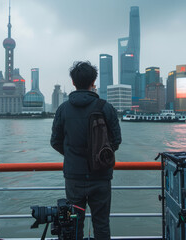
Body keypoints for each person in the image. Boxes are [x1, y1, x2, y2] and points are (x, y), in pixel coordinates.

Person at [51, 61, 122, 240]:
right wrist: (100, 156)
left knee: (72, 226)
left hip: (74, 178)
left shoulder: (63, 109)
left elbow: (55, 142)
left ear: (73, 83)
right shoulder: (106, 107)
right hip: (101, 176)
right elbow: (116, 141)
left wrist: (72, 155)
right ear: (93, 82)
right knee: (102, 225)